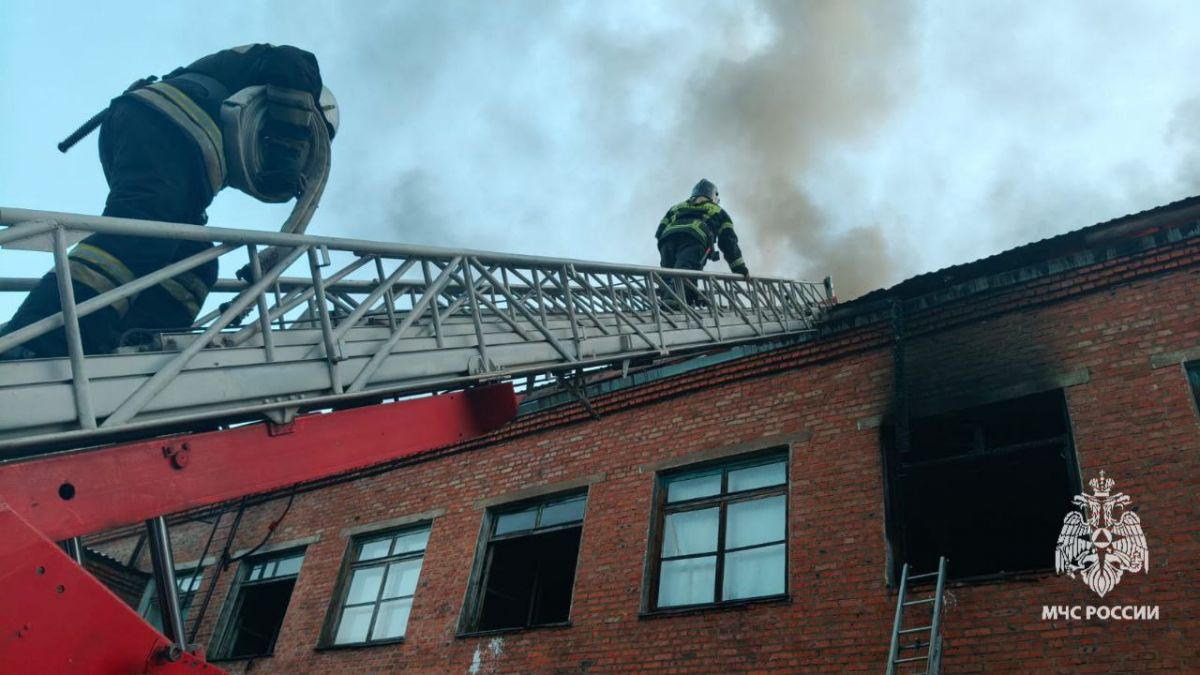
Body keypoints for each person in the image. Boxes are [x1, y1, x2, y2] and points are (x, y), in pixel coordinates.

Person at [0, 44, 338, 359]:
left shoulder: (236, 84)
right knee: (141, 239)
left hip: (155, 132)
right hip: (168, 127)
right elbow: (295, 62)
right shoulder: (293, 71)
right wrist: (286, 148)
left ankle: (129, 339)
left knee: (193, 263)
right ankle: (38, 338)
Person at [655, 179, 749, 305]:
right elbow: (728, 242)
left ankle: (675, 301)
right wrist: (740, 269)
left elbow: (660, 230)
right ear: (713, 196)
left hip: (667, 240)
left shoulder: (677, 206)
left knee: (668, 275)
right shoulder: (717, 210)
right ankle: (675, 304)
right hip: (694, 239)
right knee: (685, 272)